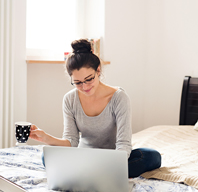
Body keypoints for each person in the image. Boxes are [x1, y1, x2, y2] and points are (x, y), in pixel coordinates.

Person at [30, 39, 161, 178]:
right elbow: (72, 141)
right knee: (46, 156)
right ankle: (101, 174)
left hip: (113, 158)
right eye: (78, 83)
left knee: (152, 157)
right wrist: (46, 138)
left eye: (89, 79)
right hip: (84, 156)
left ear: (98, 70)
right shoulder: (70, 100)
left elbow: (123, 144)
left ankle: (88, 173)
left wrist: (114, 163)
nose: (85, 87)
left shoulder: (119, 98)